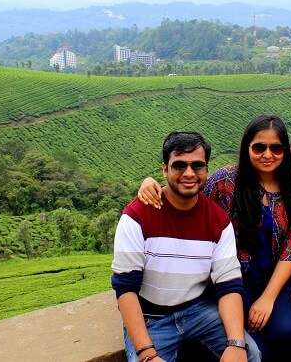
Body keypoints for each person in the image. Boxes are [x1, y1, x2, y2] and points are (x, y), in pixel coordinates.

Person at [138, 115, 291, 362]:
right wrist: (149, 183)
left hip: (275, 281)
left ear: (285, 151)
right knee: (252, 343)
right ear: (247, 148)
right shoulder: (225, 181)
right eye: (259, 147)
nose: (267, 154)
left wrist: (268, 298)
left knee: (288, 332)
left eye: (276, 148)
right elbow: (187, 196)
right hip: (230, 280)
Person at [111, 131, 260, 362]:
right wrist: (147, 354)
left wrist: (236, 344)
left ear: (206, 171)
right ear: (165, 170)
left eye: (197, 166)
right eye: (179, 165)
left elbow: (228, 285)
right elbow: (125, 289)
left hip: (198, 310)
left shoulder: (217, 221)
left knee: (250, 355)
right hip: (151, 317)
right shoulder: (137, 216)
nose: (189, 173)